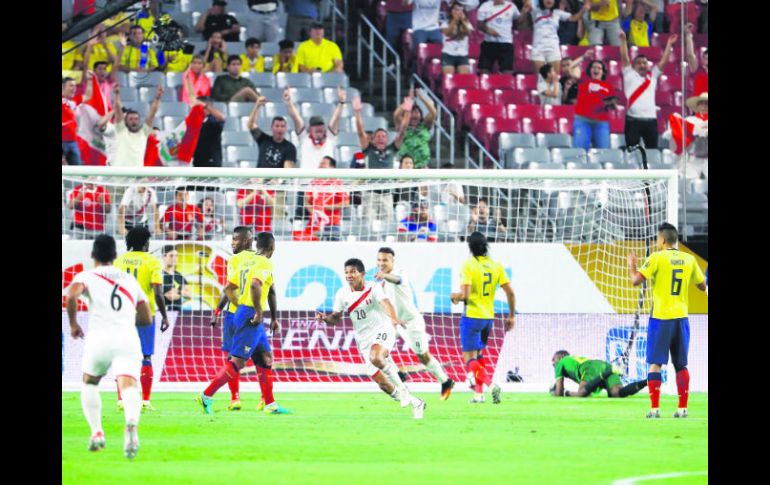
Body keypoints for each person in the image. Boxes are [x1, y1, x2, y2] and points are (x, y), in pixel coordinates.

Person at [65, 235, 152, 459]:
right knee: (129, 384)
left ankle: (97, 433)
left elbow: (71, 295)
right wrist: (124, 320)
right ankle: (131, 424)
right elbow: (146, 318)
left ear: (93, 255)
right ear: (115, 256)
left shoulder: (87, 276)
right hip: (127, 338)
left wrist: (74, 325)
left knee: (90, 382)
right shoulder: (129, 280)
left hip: (99, 338)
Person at [316, 259, 427, 419]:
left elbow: (387, 303)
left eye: (353, 272)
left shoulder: (373, 288)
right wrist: (325, 319)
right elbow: (335, 318)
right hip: (364, 340)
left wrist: (394, 319)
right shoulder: (342, 293)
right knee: (383, 384)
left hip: (384, 329)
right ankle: (416, 402)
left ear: (362, 274)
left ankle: (403, 390)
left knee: (376, 357)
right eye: (347, 272)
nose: (349, 275)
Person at [198, 232, 291, 415]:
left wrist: (265, 315)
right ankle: (206, 395)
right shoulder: (264, 262)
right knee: (238, 362)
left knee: (265, 358)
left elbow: (229, 288)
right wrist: (255, 310)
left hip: (246, 311)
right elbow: (256, 285)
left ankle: (270, 404)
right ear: (272, 248)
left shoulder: (246, 262)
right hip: (251, 314)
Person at [627, 222, 707, 418]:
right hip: (681, 318)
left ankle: (655, 409)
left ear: (662, 240)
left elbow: (636, 281)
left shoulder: (656, 258)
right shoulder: (689, 259)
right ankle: (683, 408)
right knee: (681, 365)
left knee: (655, 363)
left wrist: (632, 266)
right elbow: (702, 286)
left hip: (661, 318)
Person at [375, 247, 455, 397]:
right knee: (378, 347)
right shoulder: (382, 283)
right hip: (397, 323)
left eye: (385, 260)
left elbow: (397, 280)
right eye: (379, 260)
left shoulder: (399, 273)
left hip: (411, 323)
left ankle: (445, 381)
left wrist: (384, 275)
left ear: (393, 260)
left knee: (422, 356)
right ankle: (399, 374)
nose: (381, 263)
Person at [450, 232, 516, 404]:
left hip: (472, 316)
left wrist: (455, 296)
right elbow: (510, 292)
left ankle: (491, 384)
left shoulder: (469, 266)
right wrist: (511, 316)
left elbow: (465, 295)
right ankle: (478, 395)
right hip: (488, 318)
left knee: (469, 358)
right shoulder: (496, 266)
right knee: (478, 356)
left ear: (470, 247)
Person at [114, 226, 171, 411]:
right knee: (145, 356)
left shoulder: (119, 261)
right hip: (145, 314)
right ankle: (145, 400)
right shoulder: (152, 262)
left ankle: (121, 399)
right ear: (146, 242)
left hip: (122, 313)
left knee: (123, 355)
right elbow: (158, 292)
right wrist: (164, 316)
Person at [209, 227, 257, 410]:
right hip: (251, 313)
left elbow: (229, 289)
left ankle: (234, 398)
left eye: (236, 239)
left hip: (234, 314)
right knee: (261, 355)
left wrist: (217, 312)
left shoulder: (235, 260)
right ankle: (263, 399)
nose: (232, 243)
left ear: (246, 240)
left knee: (232, 358)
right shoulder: (260, 259)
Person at [353, 95, 409, 224]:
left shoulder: (392, 149)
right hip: (370, 193)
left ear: (387, 139)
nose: (381, 138)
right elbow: (361, 132)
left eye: (384, 136)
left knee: (387, 225)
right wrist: (357, 112)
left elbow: (402, 130)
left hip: (387, 194)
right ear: (372, 139)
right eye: (378, 136)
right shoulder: (368, 149)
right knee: (369, 225)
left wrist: (407, 112)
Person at [619, 30, 676, 150]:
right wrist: (623, 41)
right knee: (632, 153)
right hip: (632, 121)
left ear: (648, 65)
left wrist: (669, 44)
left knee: (652, 152)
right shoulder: (629, 74)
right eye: (639, 63)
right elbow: (624, 58)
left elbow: (664, 61)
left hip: (651, 121)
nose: (642, 65)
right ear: (634, 67)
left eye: (644, 63)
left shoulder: (653, 75)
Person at [284, 86, 344, 170]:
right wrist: (289, 102)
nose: (318, 128)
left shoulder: (330, 138)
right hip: (305, 182)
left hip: (324, 182)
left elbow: (336, 119)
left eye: (320, 125)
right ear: (310, 129)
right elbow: (296, 117)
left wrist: (341, 102)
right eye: (315, 125)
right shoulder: (304, 138)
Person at [525, 0, 590, 75]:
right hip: (538, 49)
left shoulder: (557, 12)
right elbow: (527, 3)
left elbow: (573, 18)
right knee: (541, 80)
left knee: (555, 79)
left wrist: (583, 10)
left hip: (553, 49)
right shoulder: (535, 11)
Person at [550, 350, 648, 397]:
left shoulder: (560, 364)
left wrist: (564, 393)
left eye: (553, 360)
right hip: (603, 365)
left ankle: (609, 371)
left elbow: (558, 393)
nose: (552, 363)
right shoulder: (572, 361)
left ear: (559, 358)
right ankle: (648, 381)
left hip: (590, 368)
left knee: (581, 393)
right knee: (617, 393)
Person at [112, 85, 164, 167]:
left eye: (136, 119)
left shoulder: (143, 133)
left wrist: (157, 98)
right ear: (125, 121)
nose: (134, 122)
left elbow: (152, 113)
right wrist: (117, 95)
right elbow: (118, 111)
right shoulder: (121, 131)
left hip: (137, 176)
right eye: (131, 119)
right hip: (120, 175)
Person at [303, 156, 350, 241]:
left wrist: (327, 207)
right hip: (315, 223)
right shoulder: (313, 182)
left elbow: (346, 203)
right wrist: (315, 212)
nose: (320, 166)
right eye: (320, 164)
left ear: (332, 167)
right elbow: (306, 201)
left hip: (332, 224)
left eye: (323, 164)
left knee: (334, 249)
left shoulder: (337, 183)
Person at [573, 59, 616, 150]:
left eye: (599, 68)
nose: (596, 69)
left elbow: (612, 104)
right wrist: (584, 56)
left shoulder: (609, 86)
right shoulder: (583, 80)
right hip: (583, 120)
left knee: (603, 152)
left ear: (603, 72)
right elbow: (570, 68)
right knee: (581, 151)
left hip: (601, 122)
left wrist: (611, 104)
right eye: (594, 67)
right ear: (590, 70)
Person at [477, 0, 525, 75]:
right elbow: (479, 24)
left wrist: (524, 11)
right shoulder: (485, 6)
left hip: (506, 43)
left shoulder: (511, 6)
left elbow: (518, 21)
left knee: (507, 72)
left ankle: (506, 86)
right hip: (489, 43)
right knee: (484, 71)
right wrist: (488, 30)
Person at [248, 97, 298, 168]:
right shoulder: (263, 140)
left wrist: (279, 179)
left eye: (282, 126)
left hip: (277, 178)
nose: (279, 129)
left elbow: (288, 171)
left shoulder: (290, 148)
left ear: (286, 129)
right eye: (277, 126)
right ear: (272, 128)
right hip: (259, 177)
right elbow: (250, 125)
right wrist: (257, 106)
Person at [393, 89, 437, 169]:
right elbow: (396, 115)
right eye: (411, 112)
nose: (413, 115)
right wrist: (408, 101)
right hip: (406, 166)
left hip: (422, 167)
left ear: (421, 115)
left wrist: (421, 98)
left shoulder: (425, 125)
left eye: (416, 112)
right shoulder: (403, 126)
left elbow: (433, 112)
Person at [191, 96, 227, 167]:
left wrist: (205, 105)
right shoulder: (193, 123)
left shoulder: (213, 121)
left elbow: (222, 118)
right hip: (197, 163)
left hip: (212, 163)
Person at [440, 2, 474, 75]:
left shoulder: (467, 24)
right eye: (456, 10)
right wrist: (454, 20)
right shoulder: (445, 23)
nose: (458, 12)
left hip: (462, 54)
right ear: (451, 11)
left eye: (460, 10)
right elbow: (447, 33)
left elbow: (468, 33)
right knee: (448, 77)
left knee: (464, 78)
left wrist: (463, 21)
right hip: (448, 54)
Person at [161, 245, 191, 312]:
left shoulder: (179, 275)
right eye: (171, 255)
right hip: (165, 312)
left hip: (178, 313)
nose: (174, 258)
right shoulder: (160, 275)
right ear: (164, 257)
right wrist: (182, 292)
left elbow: (189, 295)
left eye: (176, 255)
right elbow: (170, 297)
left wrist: (177, 291)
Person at [62, 77, 84, 166]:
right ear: (63, 87)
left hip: (72, 141)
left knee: (77, 170)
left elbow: (88, 96)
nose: (74, 88)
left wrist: (90, 81)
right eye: (71, 86)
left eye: (75, 86)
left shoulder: (74, 101)